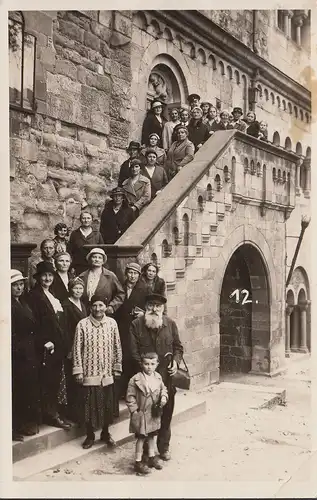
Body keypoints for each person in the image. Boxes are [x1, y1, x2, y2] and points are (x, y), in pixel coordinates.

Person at [130, 293, 184, 461]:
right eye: (151, 305)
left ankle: (164, 447)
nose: (154, 309)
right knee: (146, 416)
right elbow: (133, 352)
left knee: (166, 413)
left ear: (163, 308)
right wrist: (146, 371)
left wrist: (175, 362)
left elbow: (178, 347)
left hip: (166, 379)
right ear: (146, 308)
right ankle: (146, 453)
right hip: (145, 382)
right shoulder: (136, 325)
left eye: (158, 306)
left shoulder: (170, 324)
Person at [72, 294, 122, 449]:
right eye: (95, 305)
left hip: (107, 373)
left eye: (101, 305)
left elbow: (117, 346)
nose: (98, 309)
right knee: (89, 408)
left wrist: (117, 366)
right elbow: (76, 350)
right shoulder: (82, 325)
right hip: (89, 373)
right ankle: (90, 435)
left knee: (107, 406)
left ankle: (106, 433)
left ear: (105, 307)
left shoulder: (112, 323)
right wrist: (78, 371)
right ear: (90, 307)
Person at [28, 261, 71, 430]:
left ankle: (54, 411)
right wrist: (44, 341)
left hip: (57, 345)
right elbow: (34, 322)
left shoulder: (52, 293)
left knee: (55, 379)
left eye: (50, 275)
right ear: (38, 278)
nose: (47, 278)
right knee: (47, 380)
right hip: (46, 346)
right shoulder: (34, 296)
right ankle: (49, 414)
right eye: (44, 275)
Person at [126, 352, 168, 475]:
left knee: (152, 436)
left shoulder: (158, 377)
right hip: (141, 413)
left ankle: (151, 457)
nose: (149, 367)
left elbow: (163, 389)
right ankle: (138, 461)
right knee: (141, 438)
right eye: (146, 364)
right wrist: (134, 410)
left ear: (157, 364)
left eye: (152, 364)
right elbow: (130, 396)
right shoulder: (135, 379)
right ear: (142, 364)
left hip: (153, 412)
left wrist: (164, 397)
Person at [11, 269, 40, 441]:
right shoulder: (8, 305)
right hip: (17, 353)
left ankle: (23, 424)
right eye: (15, 285)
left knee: (26, 389)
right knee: (16, 390)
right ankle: (14, 427)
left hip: (29, 352)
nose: (19, 288)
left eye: (21, 284)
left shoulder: (23, 302)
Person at [113, 262, 146, 403]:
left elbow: (150, 309)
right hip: (121, 327)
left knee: (134, 358)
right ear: (126, 274)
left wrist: (143, 314)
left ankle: (134, 391)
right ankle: (122, 391)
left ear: (139, 276)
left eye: (135, 274)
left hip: (136, 329)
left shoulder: (145, 290)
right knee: (122, 358)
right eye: (130, 273)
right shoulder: (119, 287)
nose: (132, 276)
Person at [62, 277, 87, 423]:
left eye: (80, 288)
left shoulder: (82, 304)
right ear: (70, 289)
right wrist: (70, 348)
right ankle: (72, 414)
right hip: (72, 346)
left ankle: (80, 412)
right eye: (75, 288)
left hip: (83, 347)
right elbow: (65, 329)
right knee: (72, 380)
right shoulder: (66, 305)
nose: (78, 291)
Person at [79, 248, 125, 314]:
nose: (97, 259)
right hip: (85, 312)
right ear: (90, 259)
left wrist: (112, 307)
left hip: (103, 312)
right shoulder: (82, 276)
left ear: (103, 261)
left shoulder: (110, 276)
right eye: (94, 257)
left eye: (100, 258)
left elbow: (121, 294)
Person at [68, 211, 104, 276]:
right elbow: (70, 251)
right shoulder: (75, 234)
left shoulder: (97, 234)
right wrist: (71, 266)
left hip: (94, 266)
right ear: (80, 220)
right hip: (79, 266)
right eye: (84, 218)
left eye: (88, 218)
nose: (86, 220)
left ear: (92, 220)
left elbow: (102, 251)